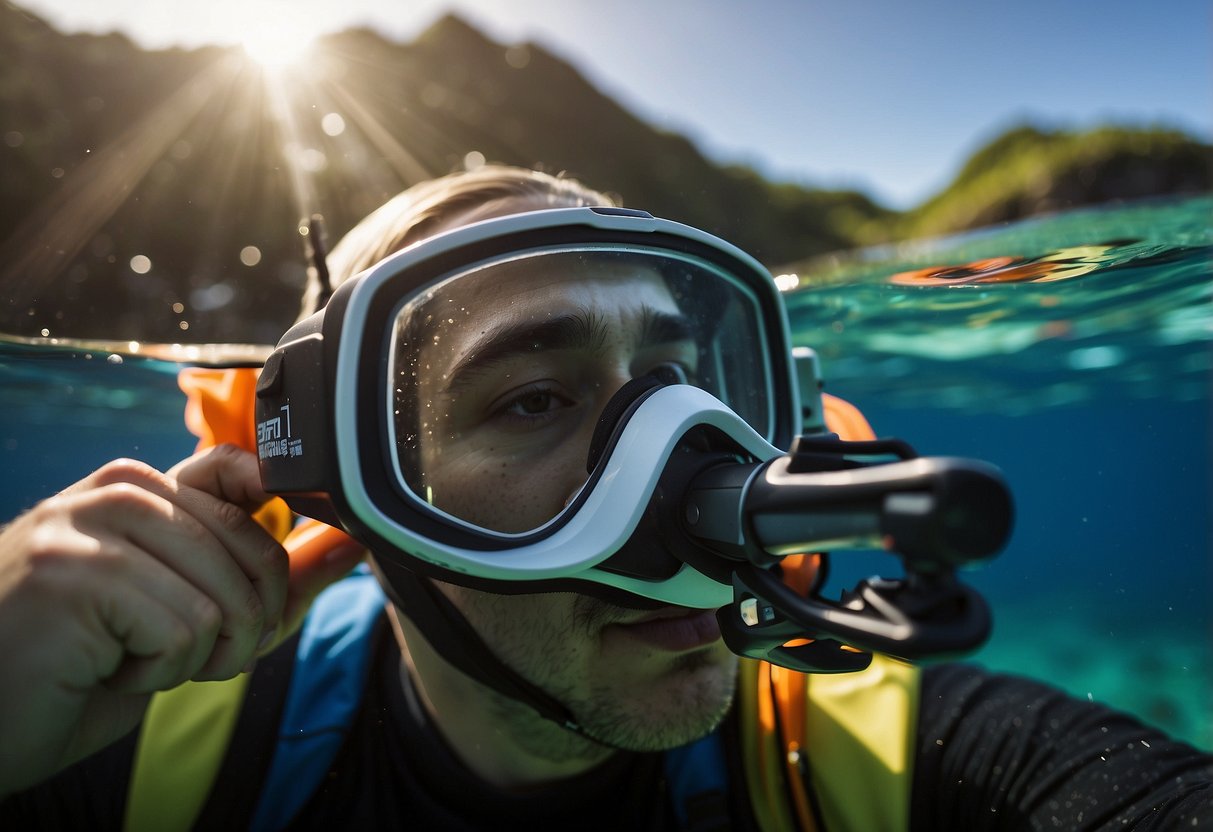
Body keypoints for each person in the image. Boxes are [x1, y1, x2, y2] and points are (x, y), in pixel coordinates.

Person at [0, 165, 1209, 831]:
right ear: (351, 489)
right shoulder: (169, 756)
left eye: (683, 383)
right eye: (532, 398)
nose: (689, 477)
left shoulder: (859, 762)